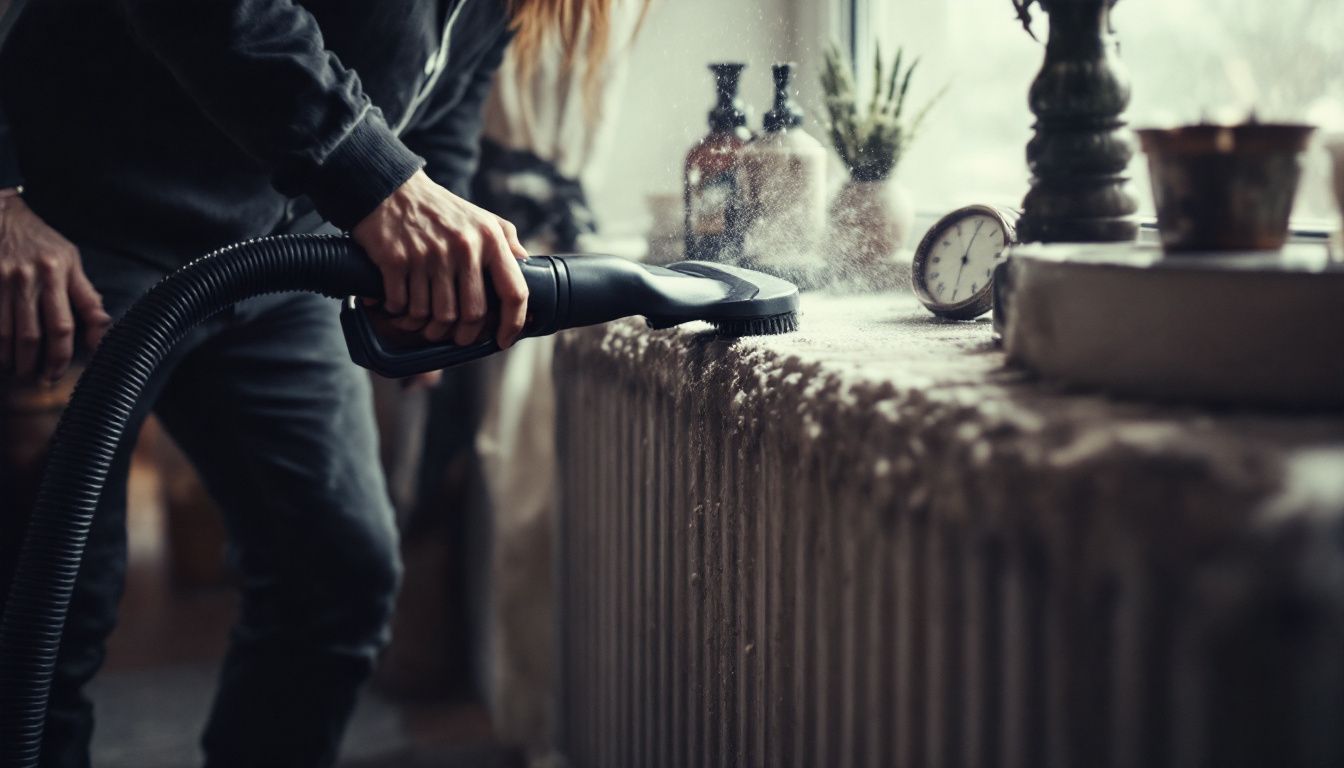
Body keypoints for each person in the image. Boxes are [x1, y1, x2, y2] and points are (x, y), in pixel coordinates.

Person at [0, 0, 625, 765]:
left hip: (273, 260)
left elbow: (444, 108)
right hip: (72, 229)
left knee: (338, 574)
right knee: (42, 618)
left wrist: (433, 269)